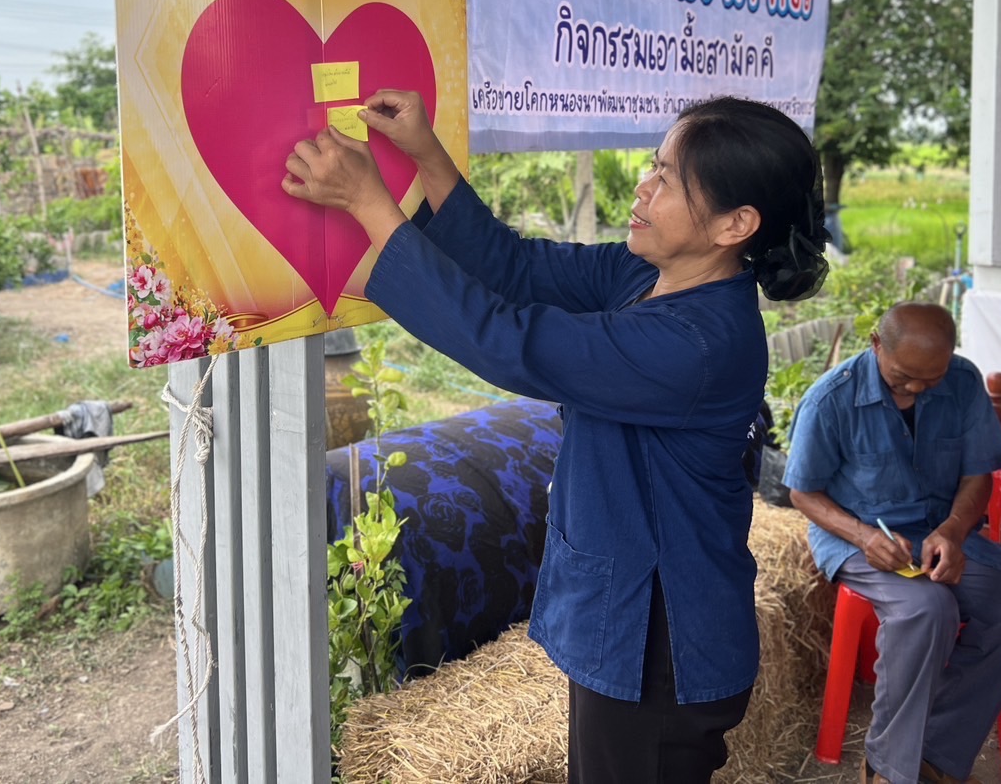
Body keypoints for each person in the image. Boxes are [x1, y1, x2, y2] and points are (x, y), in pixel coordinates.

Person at [283, 90, 828, 784]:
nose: (643, 185)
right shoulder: (648, 276)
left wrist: (369, 203)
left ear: (734, 224)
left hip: (659, 644)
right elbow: (515, 268)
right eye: (652, 165)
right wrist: (424, 154)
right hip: (629, 620)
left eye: (667, 180)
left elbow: (507, 341)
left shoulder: (696, 343)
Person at [783, 303, 1001, 784]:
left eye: (930, 378)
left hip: (941, 532)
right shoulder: (831, 399)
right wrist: (862, 536)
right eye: (903, 377)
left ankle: (933, 754)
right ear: (877, 343)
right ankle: (889, 769)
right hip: (857, 536)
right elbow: (802, 493)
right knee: (926, 609)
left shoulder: (962, 382)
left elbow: (978, 474)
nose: (917, 388)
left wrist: (954, 531)